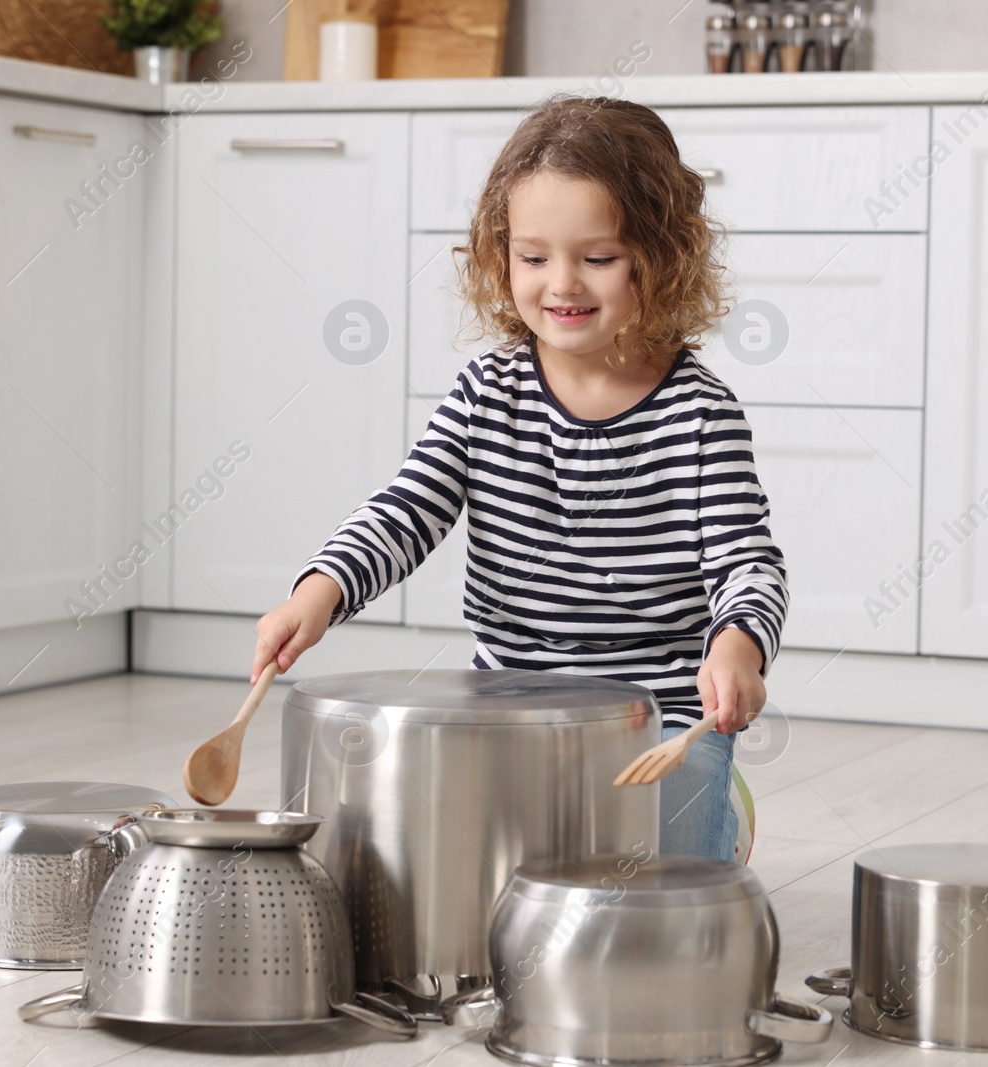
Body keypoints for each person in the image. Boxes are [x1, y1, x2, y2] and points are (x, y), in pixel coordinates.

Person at [251, 94, 788, 862]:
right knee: (431, 854)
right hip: (509, 714)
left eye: (597, 257)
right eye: (534, 257)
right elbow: (408, 509)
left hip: (663, 718)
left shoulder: (701, 414)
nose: (562, 283)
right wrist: (320, 589)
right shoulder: (485, 393)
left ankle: (721, 814)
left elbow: (748, 562)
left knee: (655, 881)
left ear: (658, 256)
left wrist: (738, 646)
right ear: (501, 256)